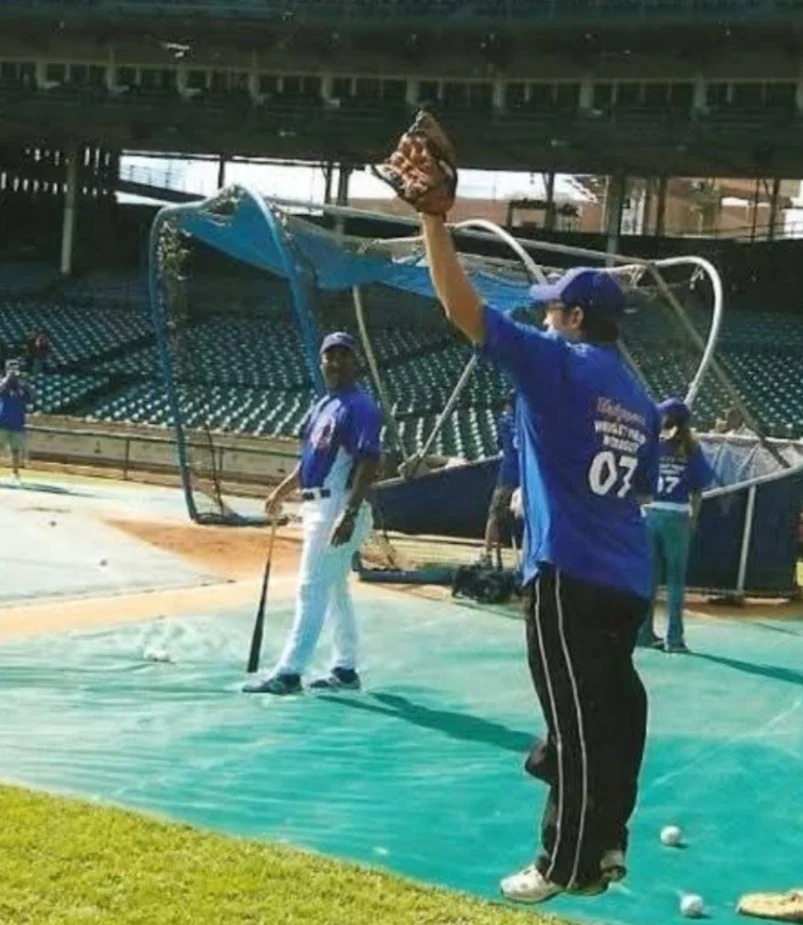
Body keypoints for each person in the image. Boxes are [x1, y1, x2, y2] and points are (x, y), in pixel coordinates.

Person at [419, 217, 660, 903]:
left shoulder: (556, 362)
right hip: (625, 577)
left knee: (574, 720)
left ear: (576, 317)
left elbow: (460, 308)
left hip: (569, 572)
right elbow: (636, 478)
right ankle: (606, 840)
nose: (546, 315)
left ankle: (562, 861)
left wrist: (432, 221)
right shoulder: (634, 397)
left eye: (553, 307)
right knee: (614, 710)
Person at [243, 332, 383, 696]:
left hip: (338, 506)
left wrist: (348, 514)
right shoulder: (323, 404)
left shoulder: (360, 407)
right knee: (334, 589)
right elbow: (309, 461)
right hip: (316, 504)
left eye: (343, 356)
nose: (335, 363)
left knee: (310, 587)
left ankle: (289, 673)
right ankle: (346, 668)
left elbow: (369, 461)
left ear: (357, 363)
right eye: (329, 357)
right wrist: (280, 492)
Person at [638, 398, 714, 653]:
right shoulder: (691, 448)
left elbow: (639, 482)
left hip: (650, 513)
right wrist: (693, 520)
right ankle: (675, 639)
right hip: (677, 516)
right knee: (675, 582)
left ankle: (644, 633)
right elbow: (699, 489)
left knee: (649, 578)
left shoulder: (652, 446)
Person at [477, 392, 519, 569]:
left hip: (508, 475)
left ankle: (487, 554)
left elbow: (500, 444)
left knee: (494, 516)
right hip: (526, 476)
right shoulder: (529, 422)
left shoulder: (505, 421)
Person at [0, 360, 35, 483]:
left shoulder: (23, 385)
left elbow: (32, 396)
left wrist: (24, 383)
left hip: (17, 422)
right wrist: (8, 378)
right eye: (11, 368)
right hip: (2, 420)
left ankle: (15, 473)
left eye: (16, 368)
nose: (14, 371)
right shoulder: (3, 383)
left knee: (15, 449)